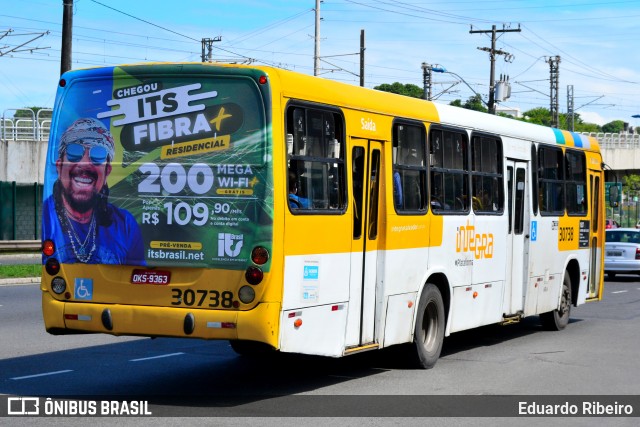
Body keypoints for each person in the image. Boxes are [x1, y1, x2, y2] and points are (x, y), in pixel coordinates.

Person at [42, 117, 145, 265]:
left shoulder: (125, 225)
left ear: (107, 171)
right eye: (74, 152)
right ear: (59, 167)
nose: (84, 164)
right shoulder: (47, 216)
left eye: (98, 155)